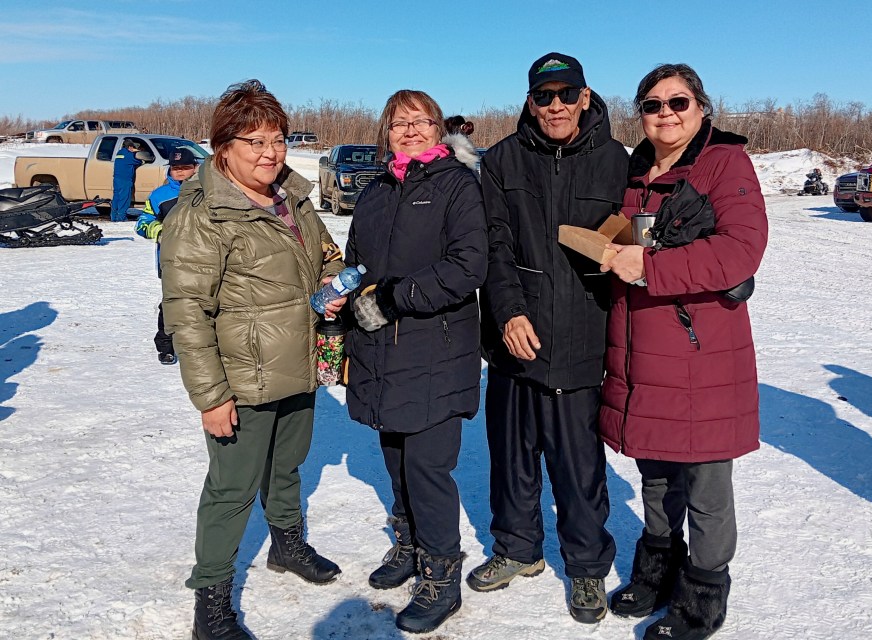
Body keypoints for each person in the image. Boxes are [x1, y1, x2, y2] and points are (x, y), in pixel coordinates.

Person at [159, 80, 347, 640]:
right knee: (231, 488)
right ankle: (210, 602)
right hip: (242, 378)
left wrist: (332, 282)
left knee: (288, 464)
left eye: (279, 139)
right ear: (222, 147)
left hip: (298, 360)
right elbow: (187, 312)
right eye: (254, 141)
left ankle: (287, 545)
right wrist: (211, 397)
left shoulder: (290, 196)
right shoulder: (201, 213)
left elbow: (325, 254)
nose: (270, 153)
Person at [598, 63, 768, 640]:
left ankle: (703, 594)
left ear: (701, 107)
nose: (664, 113)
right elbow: (625, 239)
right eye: (652, 104)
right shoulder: (636, 168)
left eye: (677, 102)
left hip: (699, 352)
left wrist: (648, 266)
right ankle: (658, 570)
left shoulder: (725, 163)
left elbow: (740, 252)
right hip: (640, 346)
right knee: (653, 469)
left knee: (704, 480)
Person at [471, 52, 629, 623]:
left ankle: (586, 568)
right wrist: (509, 313)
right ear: (529, 101)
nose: (556, 106)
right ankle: (517, 549)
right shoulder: (503, 161)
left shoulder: (618, 162)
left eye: (567, 94)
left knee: (578, 465)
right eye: (544, 96)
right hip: (515, 339)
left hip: (582, 340)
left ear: (586, 97)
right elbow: (493, 244)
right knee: (511, 456)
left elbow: (635, 242)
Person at [344, 89, 487, 634]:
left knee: (428, 466)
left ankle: (441, 576)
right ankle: (409, 543)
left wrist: (394, 297)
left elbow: (468, 265)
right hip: (381, 347)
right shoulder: (377, 190)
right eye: (398, 123)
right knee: (395, 455)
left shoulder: (457, 185)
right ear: (386, 132)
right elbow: (358, 260)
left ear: (437, 128)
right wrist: (343, 292)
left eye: (420, 121)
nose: (409, 131)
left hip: (437, 347)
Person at [134, 146, 199, 365]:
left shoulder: (207, 192)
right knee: (171, 304)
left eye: (185, 168)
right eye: (176, 168)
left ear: (195, 168)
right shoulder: (159, 195)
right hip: (171, 261)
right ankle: (166, 346)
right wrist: (159, 230)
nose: (180, 172)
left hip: (204, 260)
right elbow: (143, 223)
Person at [111, 138, 143, 222]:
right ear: (129, 147)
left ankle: (113, 216)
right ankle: (121, 217)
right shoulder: (129, 155)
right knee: (124, 199)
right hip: (125, 180)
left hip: (117, 179)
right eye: (132, 147)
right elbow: (138, 161)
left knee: (116, 198)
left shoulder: (119, 153)